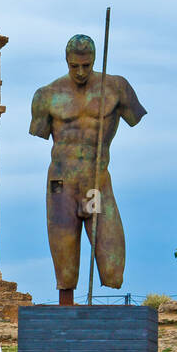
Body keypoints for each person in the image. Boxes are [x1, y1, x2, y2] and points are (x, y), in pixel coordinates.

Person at [29, 34, 146, 302]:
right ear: (66, 62)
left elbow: (134, 118)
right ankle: (66, 304)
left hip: (96, 182)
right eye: (74, 66)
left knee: (112, 262)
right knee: (65, 259)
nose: (80, 72)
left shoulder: (116, 88)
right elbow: (40, 132)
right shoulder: (47, 95)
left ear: (93, 60)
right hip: (61, 184)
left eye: (86, 65)